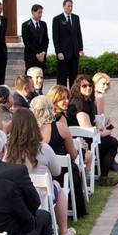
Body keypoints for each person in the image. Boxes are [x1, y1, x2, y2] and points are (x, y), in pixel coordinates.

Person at [24, 101, 76, 235]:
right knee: (58, 187)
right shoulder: (44, 148)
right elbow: (57, 171)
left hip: (22, 192)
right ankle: (64, 231)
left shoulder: (11, 150)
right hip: (43, 192)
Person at [42, 86, 88, 217]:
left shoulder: (32, 127)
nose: (66, 101)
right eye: (62, 99)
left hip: (44, 170)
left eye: (67, 98)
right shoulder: (60, 121)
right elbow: (72, 154)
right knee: (83, 156)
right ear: (54, 100)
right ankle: (82, 195)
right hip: (60, 170)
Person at [68, 74, 118, 183]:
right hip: (82, 141)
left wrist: (103, 125)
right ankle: (103, 177)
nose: (88, 88)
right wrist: (106, 132)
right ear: (78, 87)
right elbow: (87, 130)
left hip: (87, 137)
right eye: (84, 86)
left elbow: (93, 123)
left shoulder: (88, 101)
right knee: (112, 142)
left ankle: (101, 170)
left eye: (90, 86)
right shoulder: (79, 104)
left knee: (109, 140)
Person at [52, 0, 84, 87]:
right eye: (68, 6)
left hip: (74, 53)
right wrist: (58, 52)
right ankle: (61, 96)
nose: (70, 8)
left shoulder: (76, 18)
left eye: (71, 6)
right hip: (63, 54)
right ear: (64, 7)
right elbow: (55, 37)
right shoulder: (57, 19)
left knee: (74, 77)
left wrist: (80, 49)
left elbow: (79, 34)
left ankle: (73, 95)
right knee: (62, 77)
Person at [21, 4, 50, 78]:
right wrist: (36, 54)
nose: (41, 15)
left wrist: (43, 52)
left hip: (42, 57)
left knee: (40, 77)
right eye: (39, 12)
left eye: (41, 12)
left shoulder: (43, 24)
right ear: (33, 12)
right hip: (31, 57)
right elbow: (27, 42)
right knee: (30, 78)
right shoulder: (25, 25)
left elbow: (46, 39)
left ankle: (39, 90)